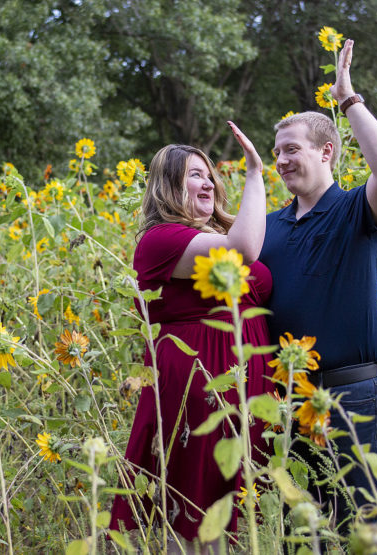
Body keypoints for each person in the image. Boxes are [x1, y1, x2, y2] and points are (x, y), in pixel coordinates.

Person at [258, 39, 377, 525]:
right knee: (304, 528)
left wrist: (348, 99)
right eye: (276, 152)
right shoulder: (268, 226)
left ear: (327, 151)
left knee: (356, 525)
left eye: (291, 149)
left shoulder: (354, 211)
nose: (280, 160)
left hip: (352, 393)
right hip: (289, 396)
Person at [109, 122, 275, 548]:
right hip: (200, 378)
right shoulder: (162, 239)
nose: (207, 181)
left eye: (208, 174)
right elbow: (243, 252)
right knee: (201, 498)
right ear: (168, 187)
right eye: (193, 175)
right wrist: (255, 174)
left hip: (247, 376)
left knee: (250, 502)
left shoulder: (216, 231)